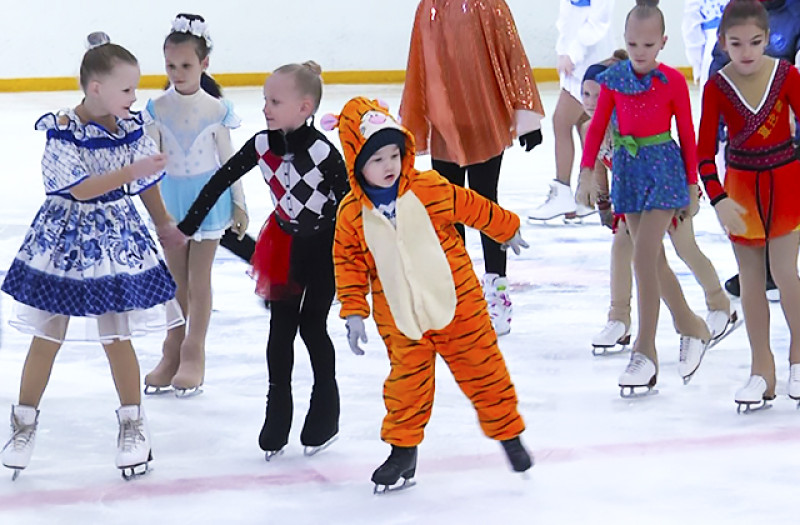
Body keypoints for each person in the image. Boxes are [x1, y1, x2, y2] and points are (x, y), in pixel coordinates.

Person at [0, 32, 184, 480]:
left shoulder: (130, 126)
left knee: (116, 334)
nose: (133, 97)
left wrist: (162, 223)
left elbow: (145, 185)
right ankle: (23, 422)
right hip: (64, 238)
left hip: (114, 238)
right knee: (48, 334)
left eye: (136, 88)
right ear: (95, 88)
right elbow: (79, 188)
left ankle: (133, 423)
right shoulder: (62, 129)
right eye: (126, 89)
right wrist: (132, 170)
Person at [326, 96, 532, 493]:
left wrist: (505, 228)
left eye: (394, 155)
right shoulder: (352, 214)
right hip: (401, 317)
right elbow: (347, 264)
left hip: (459, 305)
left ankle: (509, 436)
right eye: (377, 159)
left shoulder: (429, 187)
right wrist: (354, 310)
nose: (389, 166)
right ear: (355, 161)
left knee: (484, 371)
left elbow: (472, 205)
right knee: (406, 385)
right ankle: (403, 451)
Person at [176, 62, 348, 457]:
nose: (266, 108)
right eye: (264, 101)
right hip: (283, 245)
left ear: (304, 108)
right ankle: (277, 413)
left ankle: (326, 410)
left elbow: (351, 204)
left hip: (323, 250)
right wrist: (188, 226)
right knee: (280, 330)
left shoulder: (323, 152)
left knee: (313, 328)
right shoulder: (260, 144)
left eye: (274, 101)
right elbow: (220, 180)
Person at [577, 0, 711, 396]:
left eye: (648, 45)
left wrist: (692, 184)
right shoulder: (615, 80)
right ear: (625, 40)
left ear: (663, 42)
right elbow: (596, 124)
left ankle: (646, 351)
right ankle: (693, 326)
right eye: (633, 43)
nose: (639, 52)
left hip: (665, 172)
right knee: (652, 259)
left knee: (642, 254)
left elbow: (688, 134)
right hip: (629, 176)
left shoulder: (671, 82)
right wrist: (586, 172)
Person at [400, 0, 545, 336]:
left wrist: (526, 115)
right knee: (447, 210)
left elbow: (513, 55)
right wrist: (415, 122)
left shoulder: (490, 5)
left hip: (484, 121)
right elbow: (418, 67)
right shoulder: (429, 8)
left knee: (484, 203)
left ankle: (497, 292)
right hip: (443, 125)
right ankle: (457, 292)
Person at [581, 55, 734, 360]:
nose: (591, 101)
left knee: (685, 248)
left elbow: (674, 142)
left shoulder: (628, 117)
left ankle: (719, 305)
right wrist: (604, 205)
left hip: (666, 187)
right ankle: (619, 318)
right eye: (585, 94)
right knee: (622, 248)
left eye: (598, 95)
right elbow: (600, 165)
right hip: (631, 196)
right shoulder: (591, 129)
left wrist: (688, 188)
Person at [697, 0, 800, 411]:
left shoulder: (788, 75)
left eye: (755, 42)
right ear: (722, 42)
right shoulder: (716, 87)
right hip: (740, 190)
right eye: (736, 43)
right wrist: (718, 198)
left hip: (786, 181)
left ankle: (798, 358)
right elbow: (704, 154)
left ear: (767, 39)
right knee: (751, 281)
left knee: (786, 275)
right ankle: (762, 370)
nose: (746, 52)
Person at [143, 13, 249, 397]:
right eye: (170, 65)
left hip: (209, 202)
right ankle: (171, 351)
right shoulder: (156, 108)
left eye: (186, 65)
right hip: (172, 202)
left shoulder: (217, 111)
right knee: (175, 281)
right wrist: (154, 209)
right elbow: (151, 163)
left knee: (199, 280)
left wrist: (239, 203)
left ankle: (193, 352)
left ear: (204, 64)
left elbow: (230, 162)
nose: (177, 72)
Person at [708, 0, 800, 299]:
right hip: (746, 148)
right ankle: (763, 267)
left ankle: (779, 266)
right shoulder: (741, 10)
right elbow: (719, 66)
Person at [528, 0, 615, 222]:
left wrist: (572, 53)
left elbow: (598, 21)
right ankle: (586, 198)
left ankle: (563, 191)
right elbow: (566, 17)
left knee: (561, 122)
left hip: (591, 62)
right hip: (576, 63)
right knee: (584, 127)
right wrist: (563, 51)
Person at [682, 0, 732, 87]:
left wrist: (697, 65)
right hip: (713, 45)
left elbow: (691, 24)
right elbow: (691, 23)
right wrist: (697, 64)